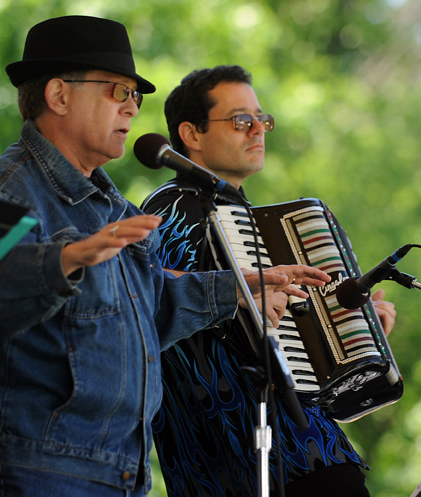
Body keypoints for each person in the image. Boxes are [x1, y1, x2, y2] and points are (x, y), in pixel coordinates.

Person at [0, 18, 329, 497]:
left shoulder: (115, 210)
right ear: (59, 95)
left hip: (121, 472)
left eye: (136, 96)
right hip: (33, 470)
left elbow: (152, 307)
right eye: (118, 91)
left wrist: (238, 287)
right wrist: (67, 259)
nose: (132, 107)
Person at [140, 65, 397, 496]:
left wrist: (347, 324)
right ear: (192, 134)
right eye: (242, 120)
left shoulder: (236, 215)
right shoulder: (172, 207)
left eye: (263, 119)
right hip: (241, 458)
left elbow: (270, 324)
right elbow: (166, 297)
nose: (258, 130)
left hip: (299, 447)